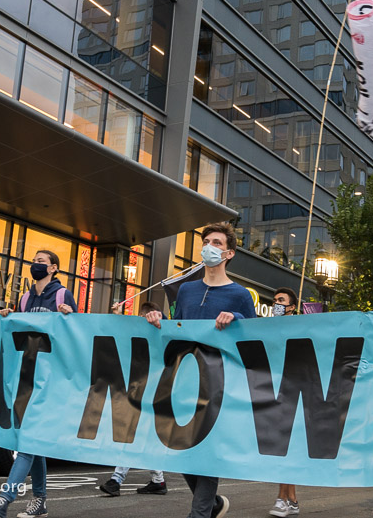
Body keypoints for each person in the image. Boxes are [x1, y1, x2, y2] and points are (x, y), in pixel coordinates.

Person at [145, 222, 256, 518]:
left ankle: (202, 512)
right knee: (181, 450)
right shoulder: (187, 290)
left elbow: (256, 339)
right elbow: (176, 329)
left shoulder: (240, 295)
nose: (209, 246)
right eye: (206, 241)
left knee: (207, 452)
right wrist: (157, 319)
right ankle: (214, 504)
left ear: (229, 252)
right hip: (185, 381)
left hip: (220, 386)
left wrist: (237, 318)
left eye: (217, 243)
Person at [0, 250, 77, 518]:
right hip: (26, 378)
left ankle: (5, 499)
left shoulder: (62, 295)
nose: (35, 265)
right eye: (34, 261)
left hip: (50, 381)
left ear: (54, 268)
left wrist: (71, 317)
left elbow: (76, 336)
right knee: (36, 439)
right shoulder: (24, 298)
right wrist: (9, 318)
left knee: (29, 437)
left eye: (41, 262)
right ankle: (40, 500)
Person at [99, 301, 168, 497]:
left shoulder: (159, 334)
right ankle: (158, 481)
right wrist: (118, 316)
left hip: (150, 393)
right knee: (143, 437)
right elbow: (121, 336)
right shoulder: (145, 336)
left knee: (132, 434)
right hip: (141, 392)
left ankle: (116, 480)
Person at [269, 287, 300, 517]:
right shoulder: (270, 329)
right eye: (274, 300)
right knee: (285, 447)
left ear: (292, 306)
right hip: (274, 392)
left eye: (281, 300)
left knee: (286, 447)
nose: (276, 303)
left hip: (295, 393)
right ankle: (292, 499)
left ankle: (282, 499)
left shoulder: (300, 328)